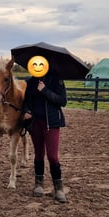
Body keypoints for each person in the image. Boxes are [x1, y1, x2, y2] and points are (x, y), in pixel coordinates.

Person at [21, 59, 68, 202]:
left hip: (52, 123)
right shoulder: (30, 82)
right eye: (35, 64)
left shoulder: (56, 80)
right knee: (38, 155)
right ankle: (38, 184)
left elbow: (62, 101)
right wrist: (26, 111)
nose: (37, 67)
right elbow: (26, 101)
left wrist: (45, 90)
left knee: (53, 157)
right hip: (36, 123)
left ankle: (58, 188)